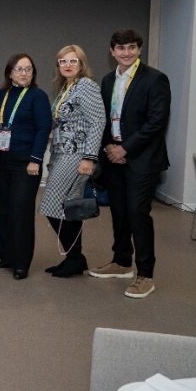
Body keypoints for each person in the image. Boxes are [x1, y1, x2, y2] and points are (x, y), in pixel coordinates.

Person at [91, 29, 171, 299]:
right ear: (112, 51)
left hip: (142, 159)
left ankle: (146, 275)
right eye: (121, 48)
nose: (126, 53)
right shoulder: (107, 80)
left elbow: (157, 121)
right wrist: (109, 147)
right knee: (119, 211)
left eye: (131, 47)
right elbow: (103, 118)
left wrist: (125, 148)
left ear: (139, 49)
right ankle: (122, 261)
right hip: (113, 156)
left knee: (138, 212)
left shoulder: (155, 79)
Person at [39, 44, 105, 278]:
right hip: (60, 153)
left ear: (81, 64)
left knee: (52, 205)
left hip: (77, 154)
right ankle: (74, 257)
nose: (67, 65)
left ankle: (75, 257)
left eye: (73, 61)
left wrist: (89, 157)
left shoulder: (86, 86)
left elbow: (98, 121)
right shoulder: (66, 87)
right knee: (68, 207)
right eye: (63, 61)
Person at [0, 53, 51, 280]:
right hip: (1, 160)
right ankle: (7, 256)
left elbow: (43, 129)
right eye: (19, 69)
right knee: (2, 208)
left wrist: (36, 159)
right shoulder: (2, 94)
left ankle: (21, 263)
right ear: (10, 72)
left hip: (25, 163)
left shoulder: (38, 96)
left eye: (28, 69)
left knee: (20, 211)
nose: (24, 73)